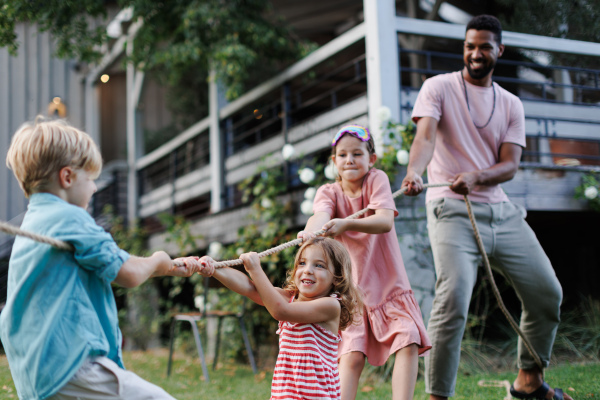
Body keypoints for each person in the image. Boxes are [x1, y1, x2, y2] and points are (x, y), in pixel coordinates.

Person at [401, 14, 569, 400]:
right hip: (451, 210)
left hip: (500, 211)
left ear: (499, 51)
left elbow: (510, 164)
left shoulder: (510, 103)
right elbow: (425, 137)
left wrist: (477, 176)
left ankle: (528, 384)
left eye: (484, 47)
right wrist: (414, 170)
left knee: (547, 293)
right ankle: (438, 396)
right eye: (469, 46)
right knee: (455, 296)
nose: (475, 54)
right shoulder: (438, 87)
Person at [1, 117, 198, 400]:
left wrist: (167, 268)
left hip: (35, 372)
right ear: (67, 178)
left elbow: (114, 260)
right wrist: (158, 260)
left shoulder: (32, 224)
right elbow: (128, 273)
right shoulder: (70, 216)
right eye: (90, 178)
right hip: (71, 364)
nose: (94, 188)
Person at [299, 124, 431, 400]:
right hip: (352, 292)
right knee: (352, 355)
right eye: (343, 155)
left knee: (407, 338)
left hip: (388, 285)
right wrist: (310, 231)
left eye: (357, 154)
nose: (350, 160)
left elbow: (383, 221)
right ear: (334, 162)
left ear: (371, 159)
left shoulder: (376, 180)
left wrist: (345, 224)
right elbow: (320, 216)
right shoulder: (329, 192)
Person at [191, 237, 362, 400]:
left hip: (316, 395)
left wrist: (255, 269)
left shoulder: (330, 306)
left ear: (337, 277)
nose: (308, 270)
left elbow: (281, 311)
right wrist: (214, 269)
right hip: (285, 393)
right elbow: (250, 288)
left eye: (319, 265)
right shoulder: (290, 297)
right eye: (302, 263)